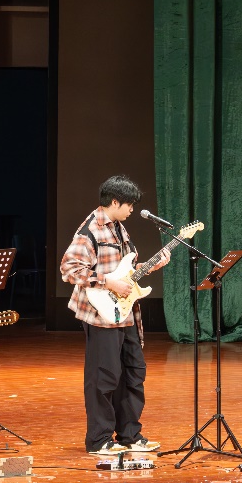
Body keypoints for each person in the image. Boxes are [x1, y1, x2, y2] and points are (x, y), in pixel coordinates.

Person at [60, 174, 169, 456]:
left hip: (126, 311)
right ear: (115, 202)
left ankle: (130, 435)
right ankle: (99, 440)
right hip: (101, 313)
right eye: (129, 204)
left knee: (133, 372)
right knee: (103, 377)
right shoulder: (90, 230)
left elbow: (125, 270)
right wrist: (108, 283)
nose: (132, 209)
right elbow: (70, 269)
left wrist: (150, 266)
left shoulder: (120, 229)